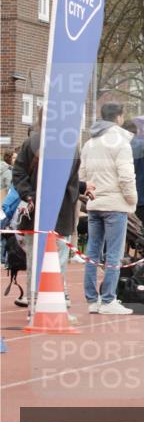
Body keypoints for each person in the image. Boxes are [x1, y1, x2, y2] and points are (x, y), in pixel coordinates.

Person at [12, 107, 91, 319]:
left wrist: (29, 195)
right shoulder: (65, 145)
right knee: (55, 261)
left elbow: (20, 173)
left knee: (38, 261)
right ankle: (49, 307)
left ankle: (39, 307)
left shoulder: (34, 143)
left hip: (41, 210)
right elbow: (68, 179)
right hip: (56, 212)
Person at [80, 102, 137, 315]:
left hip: (94, 203)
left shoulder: (89, 143)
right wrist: (131, 200)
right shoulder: (121, 143)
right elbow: (126, 177)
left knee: (92, 252)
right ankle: (109, 299)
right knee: (113, 253)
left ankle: (92, 299)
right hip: (115, 204)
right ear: (119, 118)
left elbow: (82, 175)